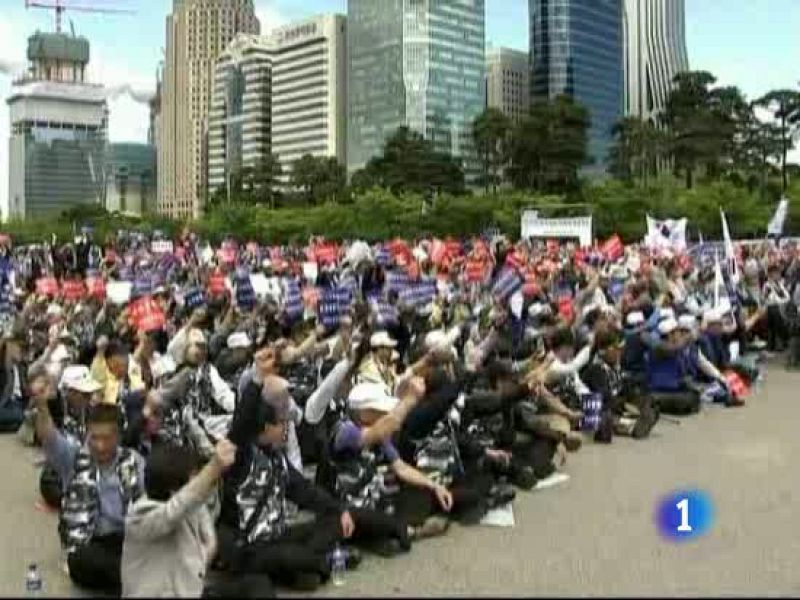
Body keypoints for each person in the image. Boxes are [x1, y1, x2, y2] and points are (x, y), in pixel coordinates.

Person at [223, 375, 357, 591]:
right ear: (266, 427)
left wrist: (339, 509)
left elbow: (305, 491)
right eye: (282, 423)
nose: (287, 427)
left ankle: (301, 570)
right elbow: (240, 425)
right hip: (250, 546)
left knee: (333, 523)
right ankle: (317, 565)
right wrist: (258, 376)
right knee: (289, 555)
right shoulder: (241, 457)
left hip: (278, 535)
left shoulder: (277, 458)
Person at [31, 369, 145, 594]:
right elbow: (49, 437)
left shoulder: (135, 462)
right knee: (84, 561)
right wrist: (42, 406)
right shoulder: (74, 458)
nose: (100, 446)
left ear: (119, 437)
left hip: (127, 540)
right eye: (95, 438)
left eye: (107, 438)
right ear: (87, 435)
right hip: (90, 543)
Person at [121, 439, 236, 598]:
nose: (198, 482)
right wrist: (214, 467)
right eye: (194, 477)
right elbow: (176, 509)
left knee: (255, 585)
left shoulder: (193, 506)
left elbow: (209, 540)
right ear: (174, 487)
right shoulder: (141, 516)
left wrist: (199, 560)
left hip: (189, 589)